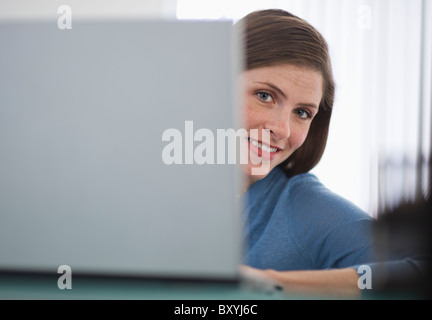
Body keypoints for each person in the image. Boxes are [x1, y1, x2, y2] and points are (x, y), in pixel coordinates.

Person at [235, 8, 429, 299]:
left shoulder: (307, 211)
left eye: (302, 112)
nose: (283, 129)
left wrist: (273, 283)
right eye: (265, 95)